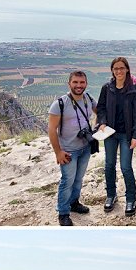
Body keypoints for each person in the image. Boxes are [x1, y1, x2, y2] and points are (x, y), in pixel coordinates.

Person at [48, 71, 97, 226]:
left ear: (86, 84)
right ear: (69, 84)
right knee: (67, 181)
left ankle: (74, 203)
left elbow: (101, 112)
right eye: (75, 82)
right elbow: (51, 129)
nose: (79, 85)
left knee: (78, 179)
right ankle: (63, 212)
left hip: (85, 148)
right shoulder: (60, 104)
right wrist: (58, 152)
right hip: (68, 150)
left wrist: (99, 126)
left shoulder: (89, 99)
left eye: (82, 82)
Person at [96, 57, 136, 217]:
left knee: (125, 167)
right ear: (112, 71)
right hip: (110, 133)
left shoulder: (134, 89)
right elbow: (101, 108)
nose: (119, 71)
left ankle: (131, 198)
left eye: (122, 68)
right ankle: (111, 195)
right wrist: (101, 122)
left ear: (127, 69)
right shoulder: (107, 88)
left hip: (127, 135)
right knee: (108, 165)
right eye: (116, 68)